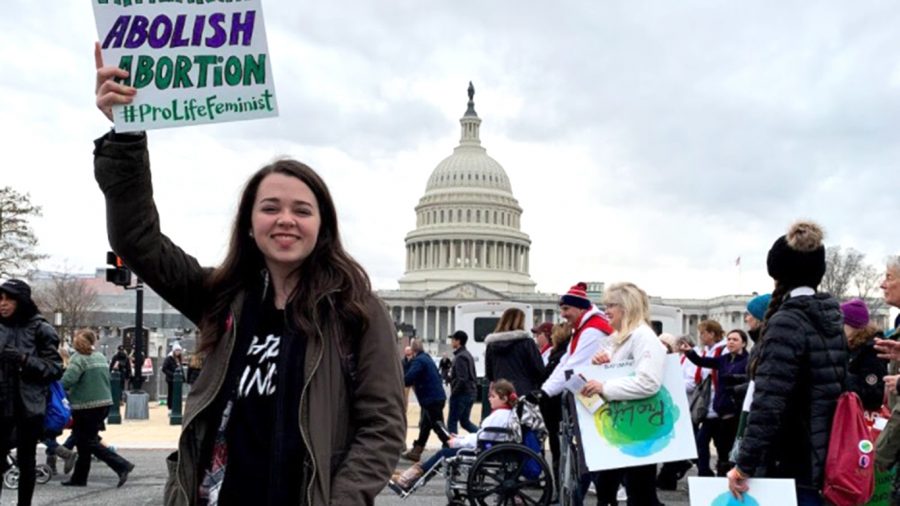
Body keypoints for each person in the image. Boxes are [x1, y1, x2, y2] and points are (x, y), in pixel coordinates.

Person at [94, 46, 406, 506]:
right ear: (249, 222)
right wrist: (126, 129)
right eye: (270, 208)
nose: (285, 220)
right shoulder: (221, 296)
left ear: (323, 226)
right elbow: (137, 241)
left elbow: (383, 427)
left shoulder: (355, 310)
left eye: (302, 210)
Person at [728, 220, 847, 505]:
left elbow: (770, 401)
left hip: (788, 456)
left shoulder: (787, 321)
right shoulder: (831, 319)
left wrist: (744, 464)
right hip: (822, 450)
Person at [581, 282, 667, 506]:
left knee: (639, 494)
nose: (605, 311)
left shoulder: (643, 337)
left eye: (610, 305)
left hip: (636, 428)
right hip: (621, 427)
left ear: (626, 307)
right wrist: (601, 366)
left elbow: (648, 382)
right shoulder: (622, 338)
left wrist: (604, 387)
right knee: (611, 491)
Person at [0, 279, 64, 506]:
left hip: (29, 405)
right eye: (1, 299)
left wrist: (24, 359)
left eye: (9, 299)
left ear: (21, 301)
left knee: (26, 460)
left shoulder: (40, 328)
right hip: (2, 402)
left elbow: (55, 368)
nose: (3, 304)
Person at [392, 379, 520, 490]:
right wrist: (460, 438)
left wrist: (457, 442)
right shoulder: (505, 414)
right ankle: (410, 475)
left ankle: (408, 478)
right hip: (490, 448)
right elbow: (482, 436)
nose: (489, 398)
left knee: (444, 453)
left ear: (503, 398)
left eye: (493, 396)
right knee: (445, 452)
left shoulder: (497, 416)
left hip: (485, 451)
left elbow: (480, 439)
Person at [61, 329, 135, 487]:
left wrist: (55, 387)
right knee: (83, 442)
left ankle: (122, 465)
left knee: (88, 441)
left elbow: (68, 380)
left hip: (85, 406)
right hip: (104, 404)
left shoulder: (78, 359)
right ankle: (79, 478)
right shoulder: (100, 357)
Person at [680, 329, 749, 476]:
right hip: (718, 411)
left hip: (734, 413)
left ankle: (725, 476)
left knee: (727, 449)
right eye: (729, 339)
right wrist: (689, 352)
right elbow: (703, 361)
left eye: (735, 340)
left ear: (743, 343)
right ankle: (710, 474)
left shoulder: (747, 361)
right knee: (710, 445)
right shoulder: (724, 359)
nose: (730, 342)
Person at [402, 339, 449, 462]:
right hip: (436, 398)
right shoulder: (426, 358)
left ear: (412, 350)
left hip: (431, 399)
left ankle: (452, 449)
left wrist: (399, 381)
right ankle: (416, 451)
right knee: (425, 426)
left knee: (438, 427)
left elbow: (409, 378)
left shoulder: (419, 361)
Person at [540, 321, 571, 501]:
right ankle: (560, 492)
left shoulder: (560, 356)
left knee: (559, 451)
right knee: (558, 450)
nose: (551, 336)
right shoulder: (558, 354)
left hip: (556, 410)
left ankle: (561, 493)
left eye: (553, 334)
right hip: (554, 410)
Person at [484, 308, 545, 395]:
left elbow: (489, 374)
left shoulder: (491, 345)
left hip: (500, 391)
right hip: (524, 390)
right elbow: (538, 369)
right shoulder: (527, 343)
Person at [839, 298, 886, 411]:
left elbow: (873, 394)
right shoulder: (852, 347)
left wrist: (840, 376)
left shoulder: (872, 351)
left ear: (853, 326)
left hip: (864, 418)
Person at [446, 331, 478, 435]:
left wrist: (454, 393)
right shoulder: (467, 354)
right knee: (465, 422)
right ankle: (481, 437)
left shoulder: (460, 357)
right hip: (469, 392)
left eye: (453, 339)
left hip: (461, 394)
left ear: (458, 341)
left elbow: (462, 379)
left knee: (452, 422)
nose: (451, 342)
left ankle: (452, 447)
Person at [161, 344, 183, 410]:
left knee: (176, 393)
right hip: (171, 379)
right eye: (176, 350)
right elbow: (164, 368)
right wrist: (172, 374)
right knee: (171, 392)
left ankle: (175, 405)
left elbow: (180, 368)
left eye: (179, 350)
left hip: (177, 378)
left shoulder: (178, 358)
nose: (178, 352)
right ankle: (170, 406)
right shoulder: (169, 358)